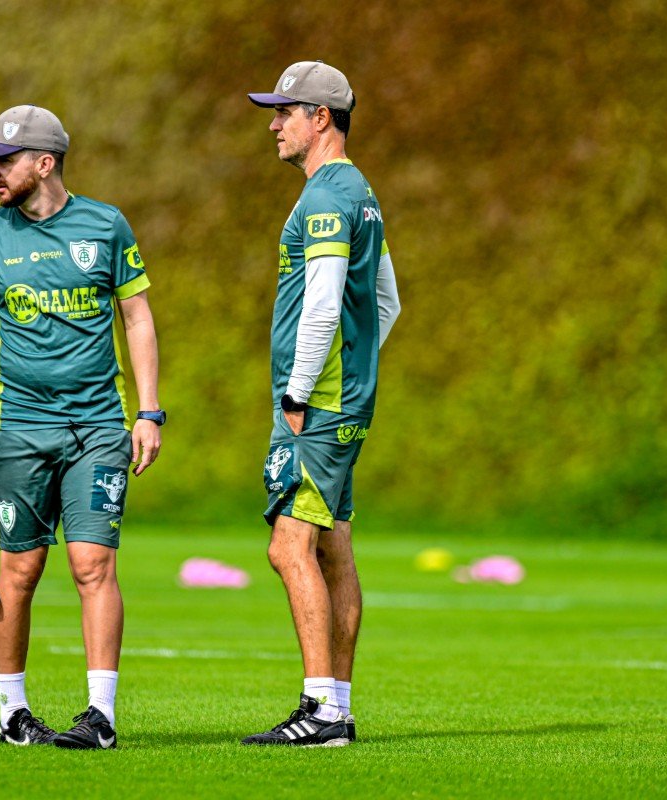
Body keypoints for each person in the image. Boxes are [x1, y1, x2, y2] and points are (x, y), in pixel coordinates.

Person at [0, 105, 165, 750]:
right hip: (21, 429)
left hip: (97, 427)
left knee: (93, 564)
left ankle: (101, 717)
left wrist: (148, 411)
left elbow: (137, 319)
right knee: (20, 571)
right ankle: (13, 715)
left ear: (45, 162)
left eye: (4, 161)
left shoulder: (107, 225)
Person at [241, 62, 400, 747]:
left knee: (288, 546)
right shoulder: (359, 192)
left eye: (285, 112)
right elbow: (388, 302)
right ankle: (336, 704)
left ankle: (321, 712)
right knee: (334, 547)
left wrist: (300, 392)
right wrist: (360, 371)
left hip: (319, 403)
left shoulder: (327, 198)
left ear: (322, 118)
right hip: (346, 396)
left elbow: (323, 303)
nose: (274, 125)